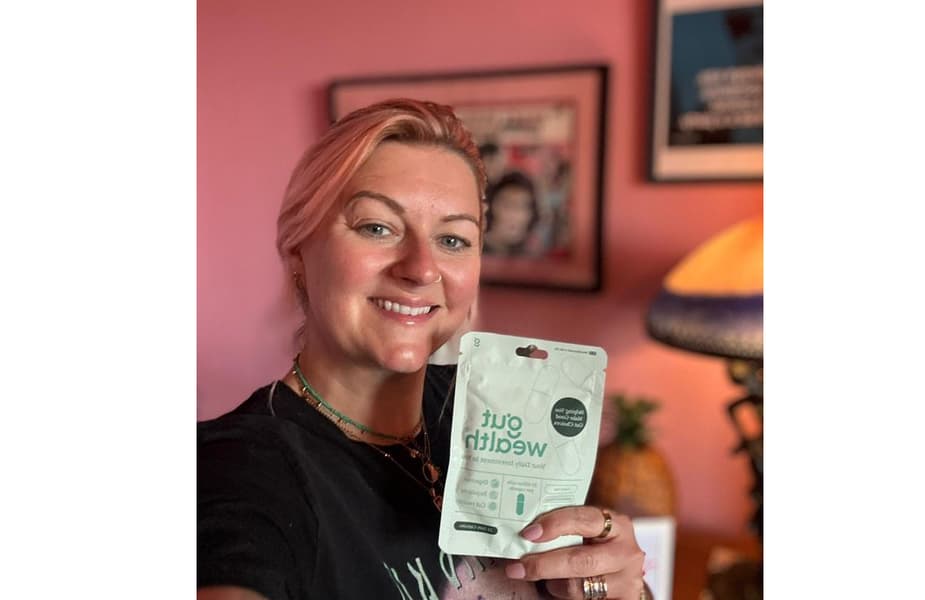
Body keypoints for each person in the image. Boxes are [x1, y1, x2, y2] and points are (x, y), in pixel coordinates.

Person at [198, 99, 648, 600]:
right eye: (377, 227)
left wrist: (619, 587)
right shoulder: (239, 468)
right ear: (299, 249)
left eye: (453, 240)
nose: (421, 268)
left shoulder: (503, 413)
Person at [482, 170, 541, 257]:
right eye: (508, 205)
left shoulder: (534, 254)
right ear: (490, 207)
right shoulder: (475, 251)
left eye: (523, 206)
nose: (515, 215)